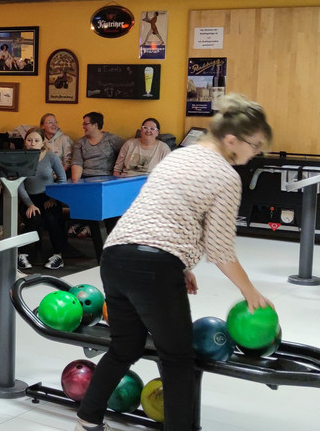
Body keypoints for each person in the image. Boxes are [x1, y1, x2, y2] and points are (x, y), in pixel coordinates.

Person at [74, 94, 274, 431]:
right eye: (254, 145)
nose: (255, 153)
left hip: (115, 256)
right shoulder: (226, 176)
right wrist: (250, 292)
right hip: (153, 266)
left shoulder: (178, 157)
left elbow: (159, 212)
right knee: (178, 358)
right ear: (230, 140)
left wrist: (180, 265)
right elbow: (221, 250)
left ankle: (87, 419)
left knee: (125, 345)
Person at [17, 128, 68, 271]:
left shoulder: (51, 157)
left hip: (49, 198)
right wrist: (30, 204)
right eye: (29, 140)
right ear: (25, 142)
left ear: (42, 143)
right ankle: (22, 254)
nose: (32, 143)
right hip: (29, 199)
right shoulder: (20, 159)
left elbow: (62, 179)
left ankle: (57, 255)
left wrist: (53, 198)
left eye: (36, 140)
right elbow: (19, 185)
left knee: (52, 219)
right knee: (35, 219)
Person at [69, 112, 124, 238]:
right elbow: (77, 162)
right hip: (86, 178)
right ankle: (86, 224)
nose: (83, 126)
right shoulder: (81, 142)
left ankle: (91, 226)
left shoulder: (111, 139)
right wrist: (76, 184)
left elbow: (125, 154)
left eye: (85, 123)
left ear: (95, 124)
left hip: (106, 179)